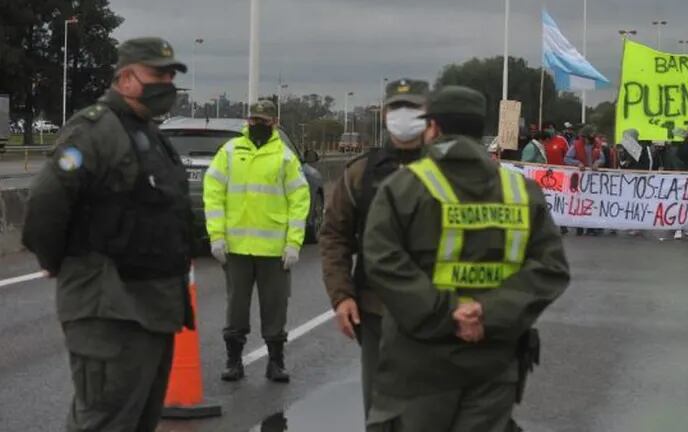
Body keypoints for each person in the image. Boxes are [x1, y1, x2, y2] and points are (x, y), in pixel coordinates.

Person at [362, 86, 571, 432]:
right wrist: (486, 313)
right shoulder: (521, 192)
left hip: (420, 366)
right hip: (494, 364)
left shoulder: (403, 187)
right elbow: (551, 269)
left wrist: (448, 313)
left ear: (434, 128)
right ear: (478, 129)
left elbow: (382, 262)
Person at [22, 37, 195, 432]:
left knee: (138, 423)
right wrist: (59, 261)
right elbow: (46, 201)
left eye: (171, 75)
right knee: (103, 423)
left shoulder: (148, 135)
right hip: (109, 312)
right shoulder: (95, 131)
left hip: (152, 311)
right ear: (126, 78)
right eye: (158, 74)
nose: (166, 83)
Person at [320, 78, 427, 415]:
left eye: (413, 108)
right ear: (384, 114)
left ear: (428, 115)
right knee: (381, 411)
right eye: (397, 108)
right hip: (377, 310)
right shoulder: (360, 174)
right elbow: (334, 235)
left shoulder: (450, 170)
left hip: (439, 312)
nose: (404, 115)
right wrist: (342, 295)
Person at [204, 99, 311, 383]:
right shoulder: (229, 152)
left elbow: (299, 202)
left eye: (262, 121)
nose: (257, 125)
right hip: (237, 249)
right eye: (253, 120)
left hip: (274, 251)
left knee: (275, 307)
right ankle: (233, 361)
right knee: (236, 307)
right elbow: (213, 194)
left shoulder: (284, 157)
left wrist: (293, 243)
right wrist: (216, 236)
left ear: (273, 122)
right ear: (246, 121)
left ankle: (275, 362)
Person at [565, 125, 605, 235]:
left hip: (593, 180)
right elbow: (567, 158)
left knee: (592, 202)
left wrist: (598, 163)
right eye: (588, 138)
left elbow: (602, 158)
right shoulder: (576, 145)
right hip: (580, 179)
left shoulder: (597, 145)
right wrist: (577, 163)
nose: (590, 140)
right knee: (579, 201)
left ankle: (591, 227)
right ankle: (579, 226)